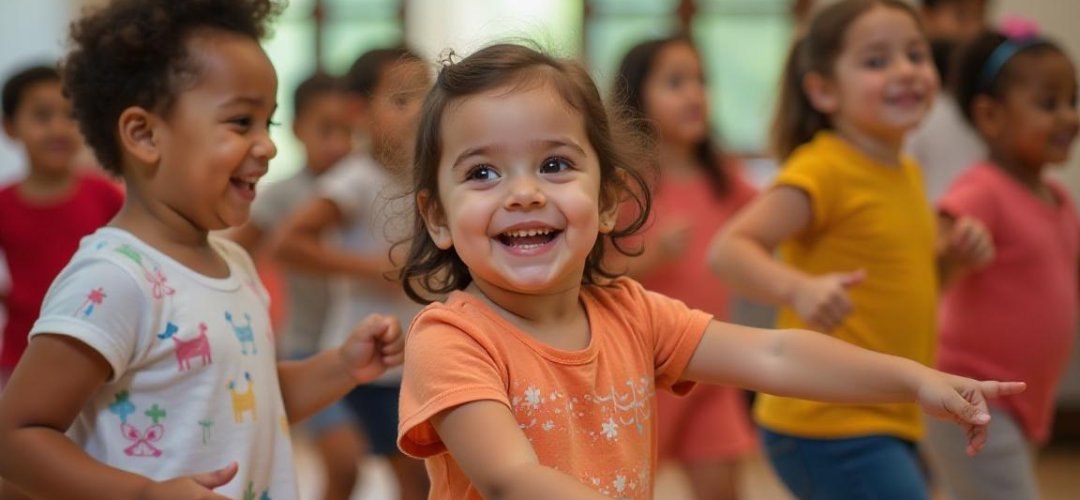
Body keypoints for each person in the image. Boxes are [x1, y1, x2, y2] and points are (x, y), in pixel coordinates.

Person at [394, 42, 1022, 500]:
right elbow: (512, 478)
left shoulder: (632, 313)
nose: (524, 193)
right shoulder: (453, 338)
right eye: (482, 173)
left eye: (555, 165)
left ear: (610, 200)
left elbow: (774, 356)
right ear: (439, 218)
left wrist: (913, 380)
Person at [0, 1, 403, 498]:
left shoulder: (233, 262)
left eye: (268, 124)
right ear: (145, 135)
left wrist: (342, 366)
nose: (268, 146)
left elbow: (247, 400)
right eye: (241, 122)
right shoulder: (116, 278)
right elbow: (15, 438)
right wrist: (145, 493)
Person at [708, 1, 995, 498]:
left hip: (888, 415)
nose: (905, 70)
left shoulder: (905, 173)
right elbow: (729, 250)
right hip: (825, 419)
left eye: (915, 54)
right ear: (822, 89)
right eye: (877, 61)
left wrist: (955, 263)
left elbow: (915, 285)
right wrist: (797, 289)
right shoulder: (823, 168)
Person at [923, 28, 1080, 500]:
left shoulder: (1058, 198)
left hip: (1014, 399)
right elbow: (931, 267)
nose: (1070, 116)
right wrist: (955, 254)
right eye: (1048, 103)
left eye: (1074, 100)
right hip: (970, 392)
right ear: (990, 116)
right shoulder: (982, 189)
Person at [274, 46, 432, 500]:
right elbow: (289, 242)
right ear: (358, 112)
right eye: (402, 101)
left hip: (409, 356)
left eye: (426, 97)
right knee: (353, 471)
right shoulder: (355, 177)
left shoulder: (426, 178)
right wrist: (376, 268)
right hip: (363, 357)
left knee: (418, 480)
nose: (419, 111)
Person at [609, 36, 757, 500]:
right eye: (675, 83)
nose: (694, 94)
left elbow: (773, 224)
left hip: (710, 362)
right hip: (638, 368)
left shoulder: (723, 176)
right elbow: (587, 276)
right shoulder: (622, 183)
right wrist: (652, 256)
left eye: (700, 81)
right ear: (637, 97)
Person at [225, 72, 362, 500]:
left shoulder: (364, 188)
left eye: (349, 131)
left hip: (364, 347)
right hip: (307, 345)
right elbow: (234, 255)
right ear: (299, 128)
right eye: (326, 129)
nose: (339, 143)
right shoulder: (280, 196)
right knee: (344, 464)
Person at [0, 64, 123, 387]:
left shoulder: (105, 195)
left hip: (99, 349)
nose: (58, 128)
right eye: (42, 116)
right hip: (22, 355)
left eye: (70, 115)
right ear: (10, 127)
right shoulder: (4, 203)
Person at [906, 0, 991, 200]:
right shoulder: (911, 104)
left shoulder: (978, 107)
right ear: (926, 16)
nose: (975, 29)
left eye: (981, 17)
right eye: (962, 16)